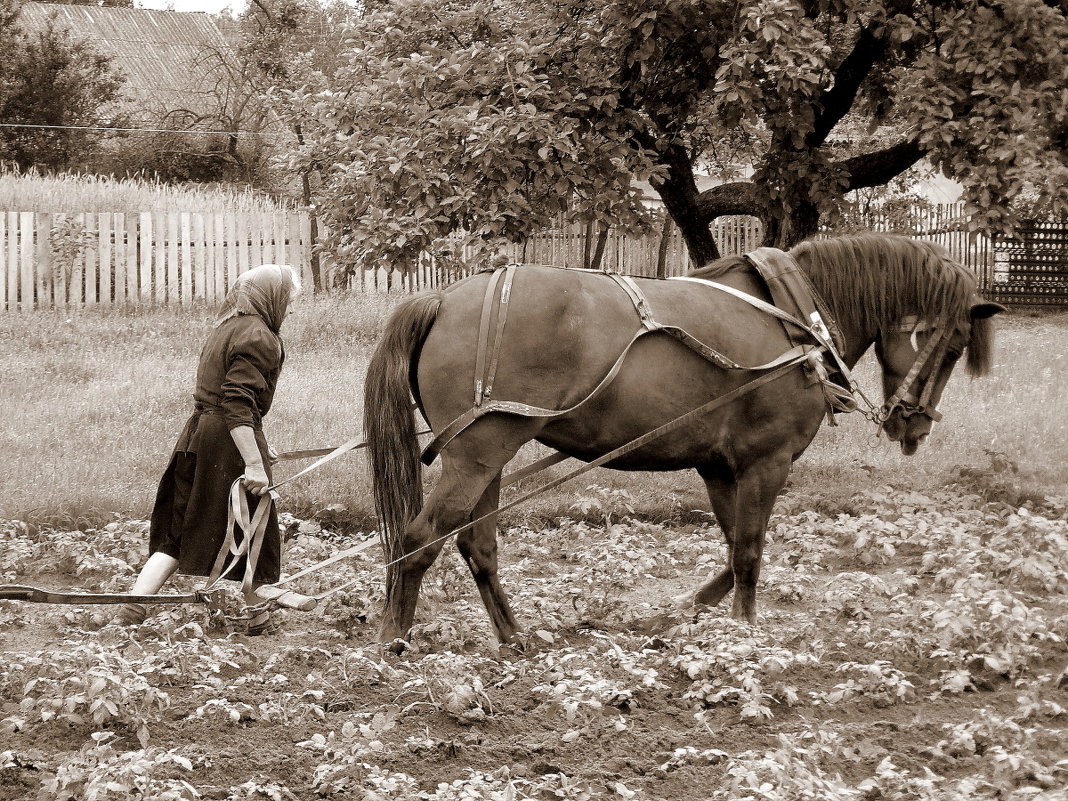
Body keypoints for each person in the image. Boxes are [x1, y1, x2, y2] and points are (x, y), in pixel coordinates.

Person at [113, 264, 301, 634]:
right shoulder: (260, 336)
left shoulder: (226, 328)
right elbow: (235, 403)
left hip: (198, 437)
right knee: (253, 527)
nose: (292, 307)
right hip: (223, 445)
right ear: (272, 298)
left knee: (179, 529)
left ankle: (132, 610)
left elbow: (224, 400)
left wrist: (260, 445)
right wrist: (253, 460)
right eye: (290, 299)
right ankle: (258, 618)